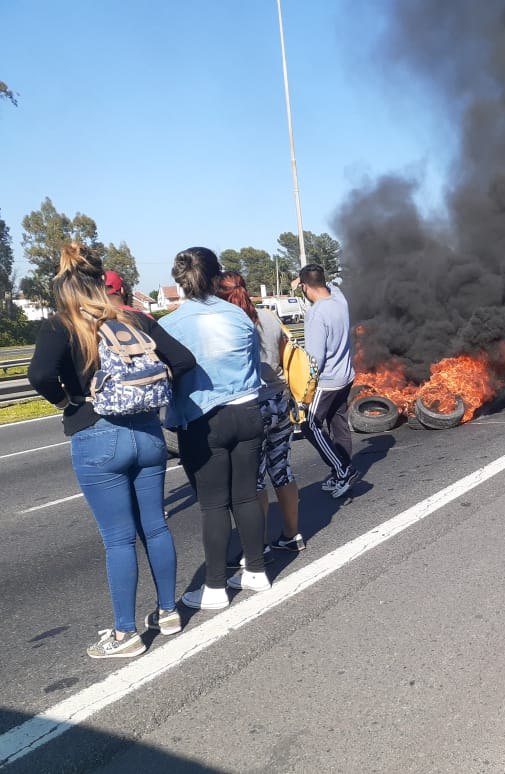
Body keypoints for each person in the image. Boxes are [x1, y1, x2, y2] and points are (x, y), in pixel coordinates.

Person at [28, 243, 196, 658]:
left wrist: (67, 401)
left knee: (119, 539)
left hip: (98, 435)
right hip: (148, 433)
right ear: (102, 282)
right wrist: (152, 388)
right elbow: (184, 360)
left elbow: (39, 374)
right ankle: (168, 612)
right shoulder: (134, 318)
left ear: (64, 287)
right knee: (155, 527)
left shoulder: (62, 324)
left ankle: (125, 634)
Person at [160, 247, 269, 609]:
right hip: (248, 410)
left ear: (180, 281)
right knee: (246, 496)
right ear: (216, 276)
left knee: (213, 505)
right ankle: (256, 571)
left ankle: (215, 588)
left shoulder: (170, 325)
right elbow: (254, 360)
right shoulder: (239, 316)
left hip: (204, 419)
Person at [216, 271, 304, 552]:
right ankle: (292, 535)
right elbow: (284, 353)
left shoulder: (226, 323)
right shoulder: (268, 316)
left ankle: (258, 546)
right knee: (282, 469)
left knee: (253, 479)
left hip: (252, 405)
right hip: (279, 399)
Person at [294, 264, 359, 499]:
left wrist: (304, 390)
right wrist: (313, 279)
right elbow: (333, 286)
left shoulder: (316, 313)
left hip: (327, 381)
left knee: (309, 425)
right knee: (338, 424)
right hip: (346, 376)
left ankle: (342, 470)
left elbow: (315, 359)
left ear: (304, 287)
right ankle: (342, 469)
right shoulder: (340, 300)